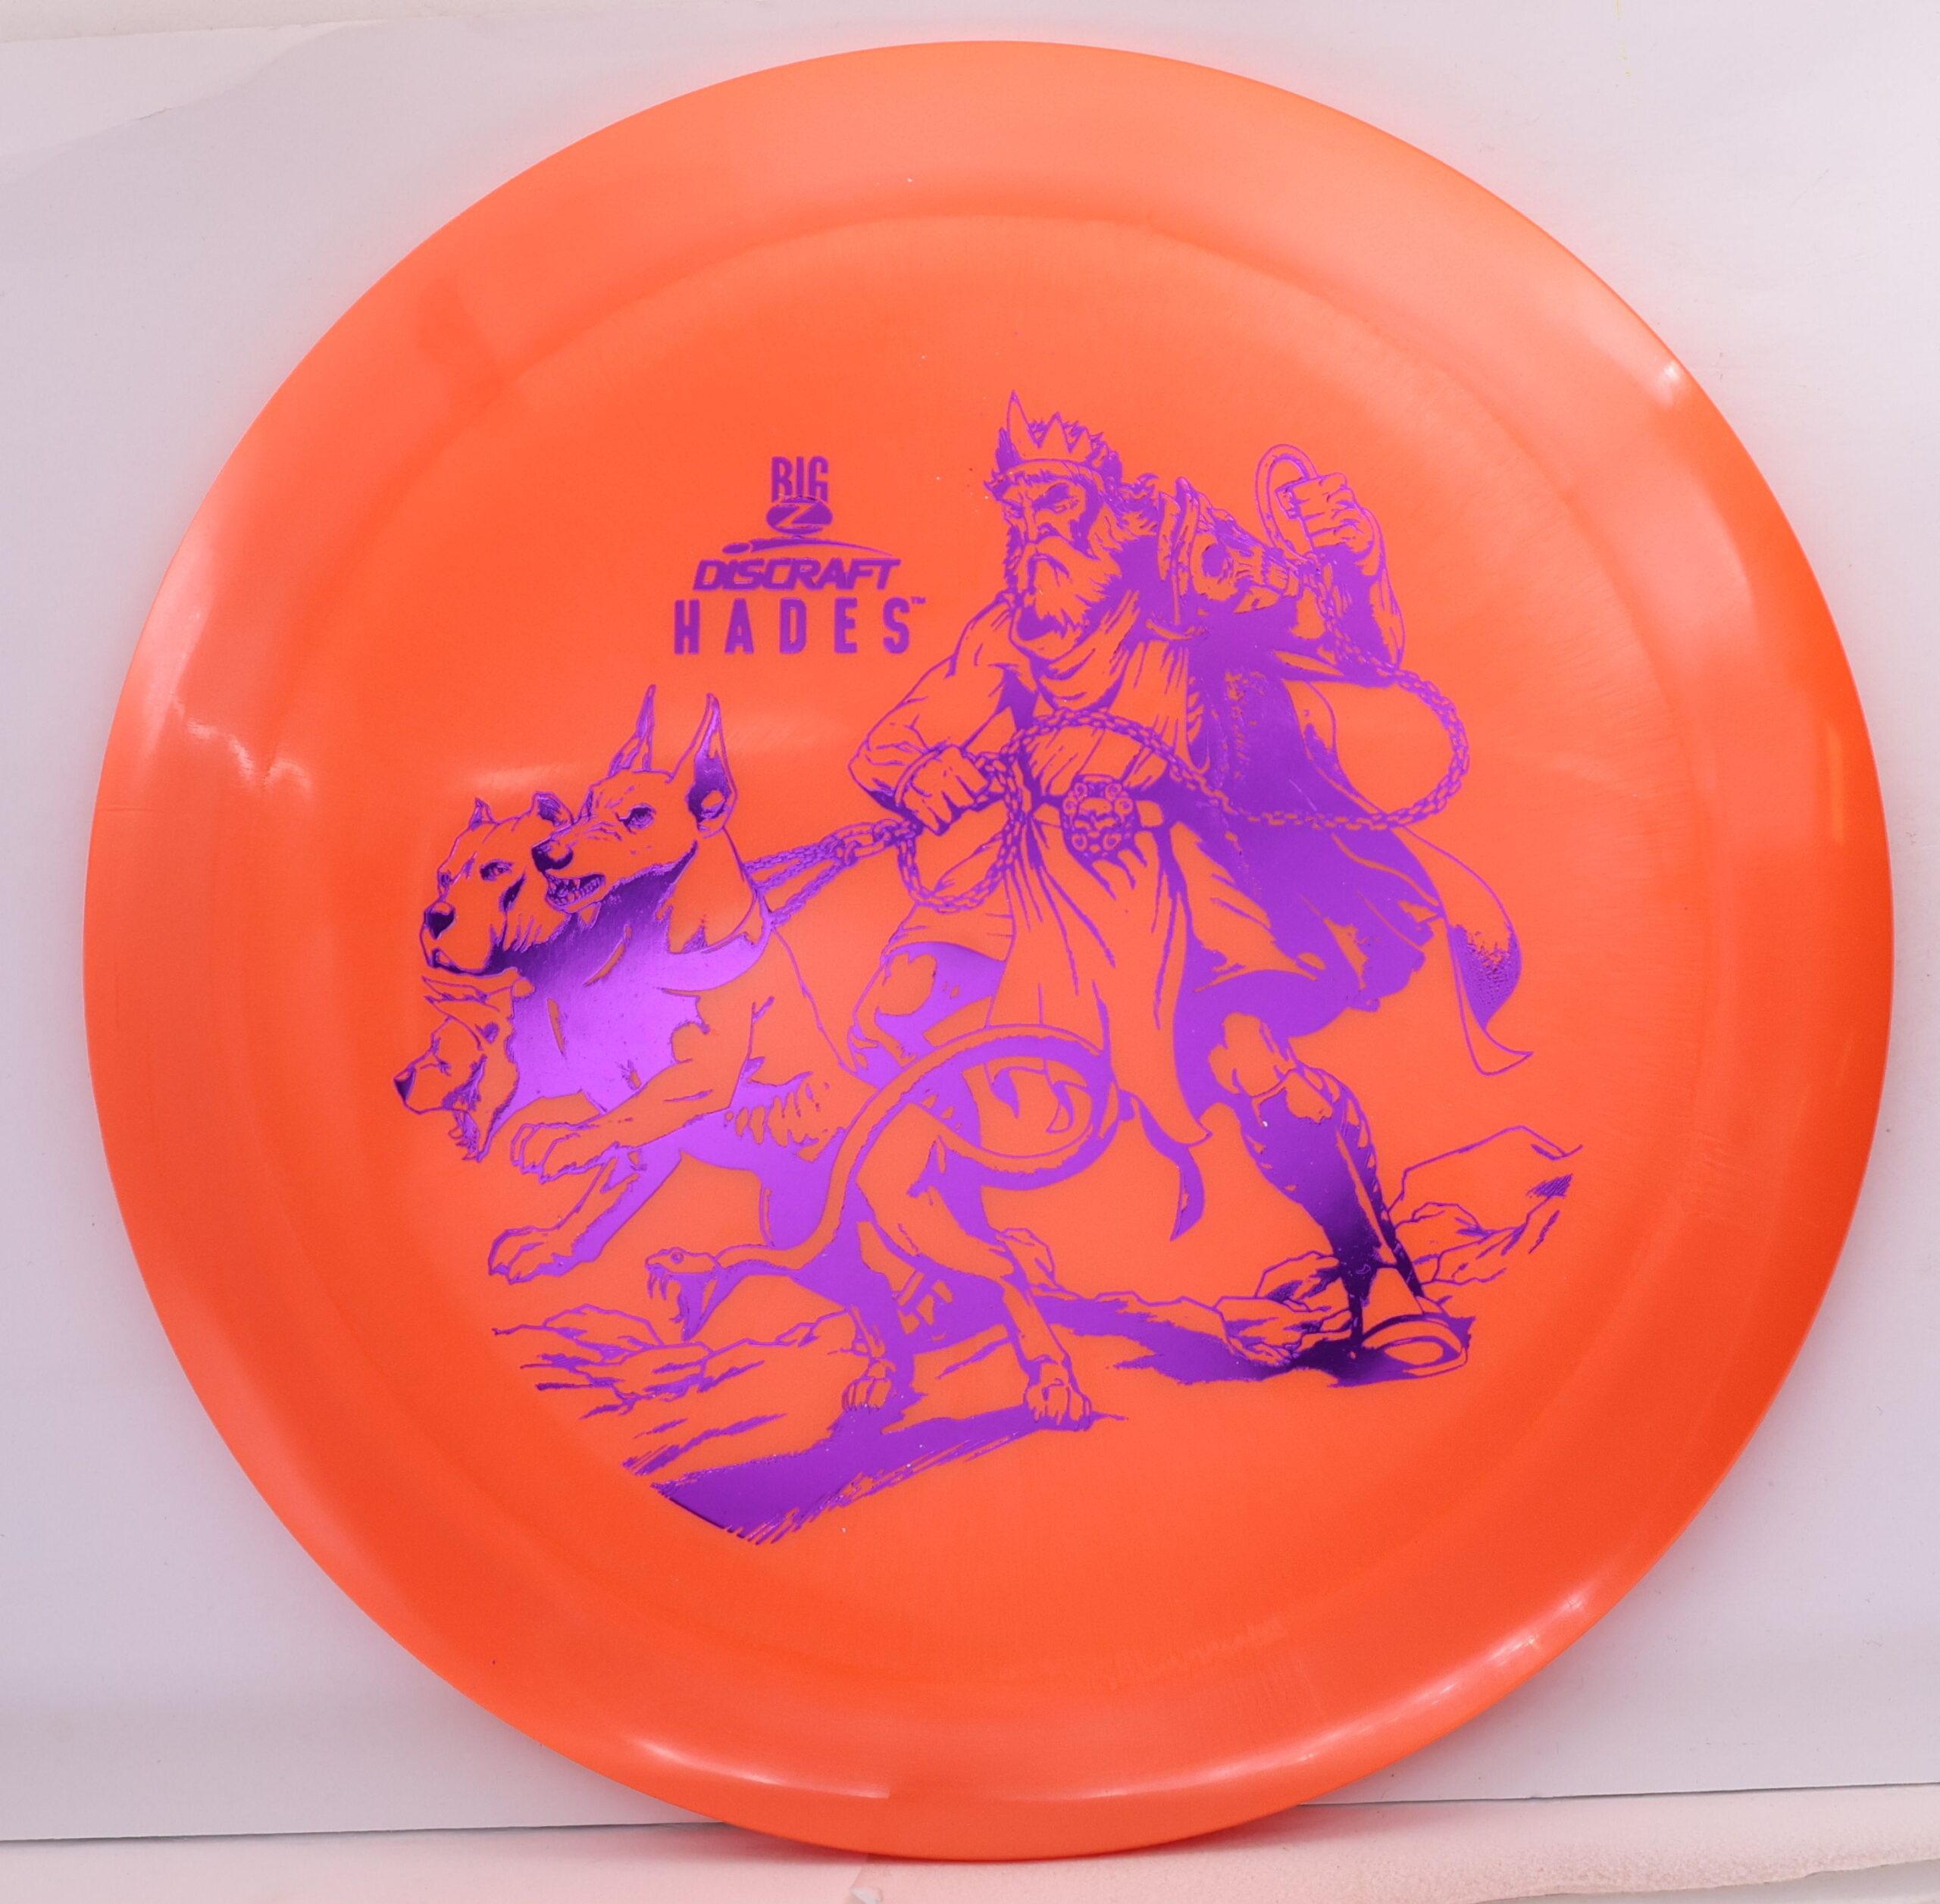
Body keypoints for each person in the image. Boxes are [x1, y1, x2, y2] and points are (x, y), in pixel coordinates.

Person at [848, 398, 1525, 1370]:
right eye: (1020, 511)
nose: (1037, 531)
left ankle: (1377, 1282)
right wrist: (922, 774)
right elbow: (887, 746)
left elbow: (1359, 655)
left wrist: (1350, 562)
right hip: (1034, 880)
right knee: (901, 1012)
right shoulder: (1009, 634)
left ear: (1113, 513)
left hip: (1178, 877)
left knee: (1252, 1063)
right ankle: (948, 1269)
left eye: (1059, 505)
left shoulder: (1191, 596)